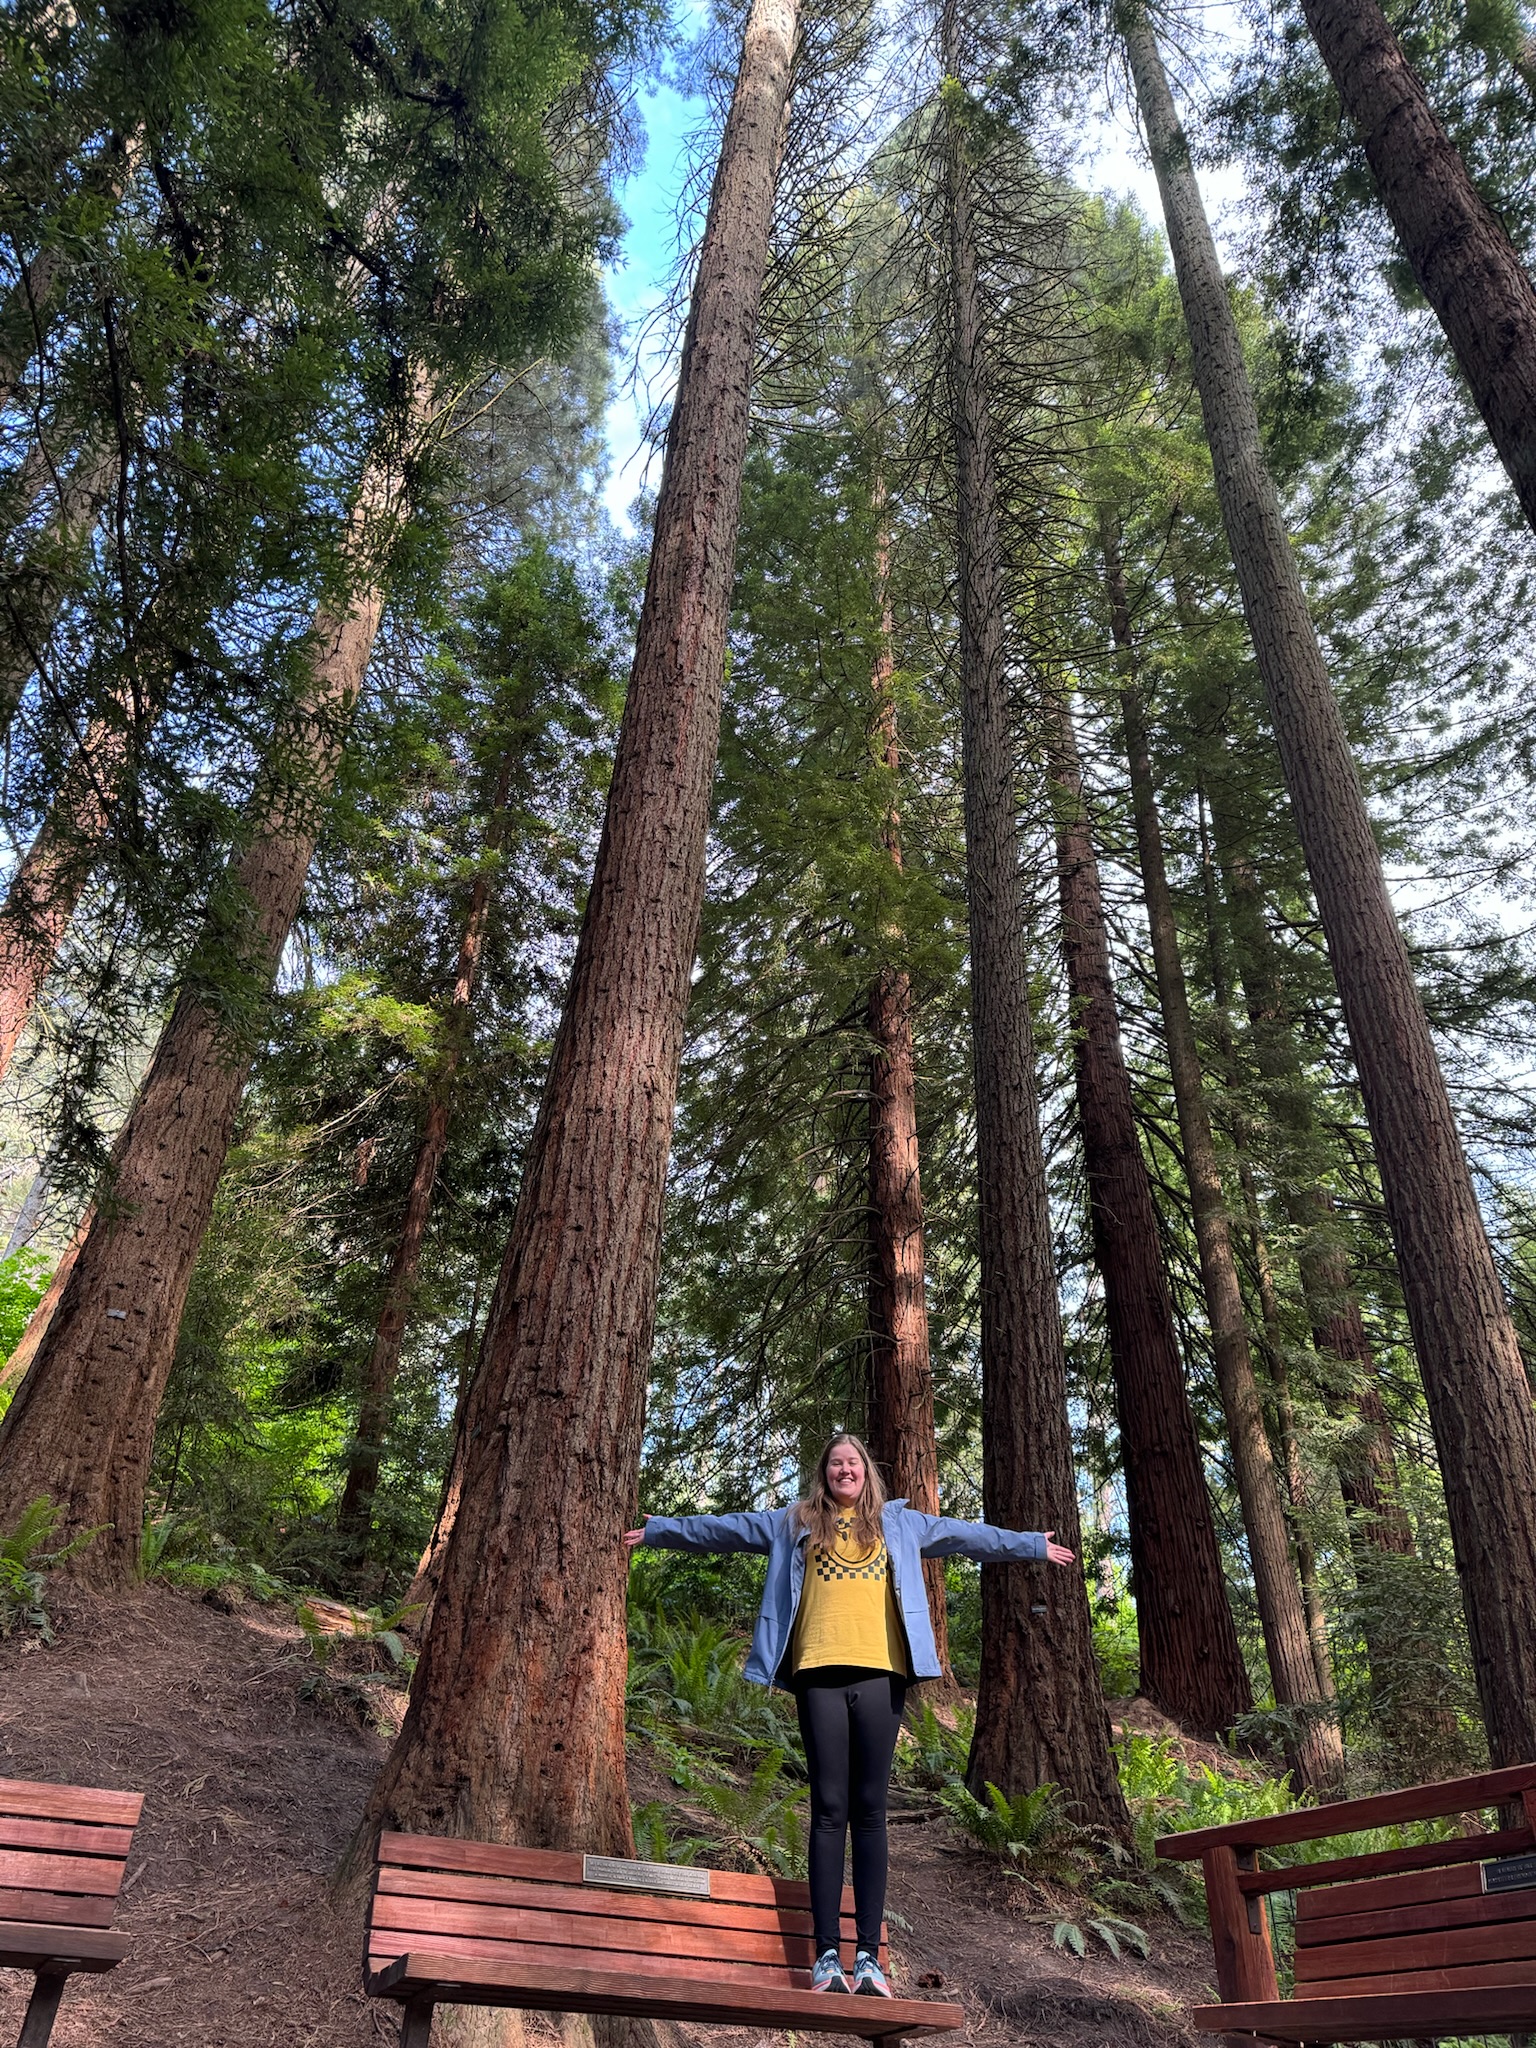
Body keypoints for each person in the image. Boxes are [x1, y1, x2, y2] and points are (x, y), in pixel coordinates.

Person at [623, 1431, 1075, 1998]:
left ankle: (869, 1958)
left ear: (866, 1473)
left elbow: (967, 1536)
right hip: (818, 1674)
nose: (844, 1470)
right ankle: (826, 1956)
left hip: (880, 1677)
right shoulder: (794, 1522)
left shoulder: (900, 1524)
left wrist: (1031, 1544)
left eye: (853, 1462)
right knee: (828, 1808)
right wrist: (662, 1528)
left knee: (870, 1809)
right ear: (824, 1472)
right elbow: (727, 1529)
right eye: (835, 1462)